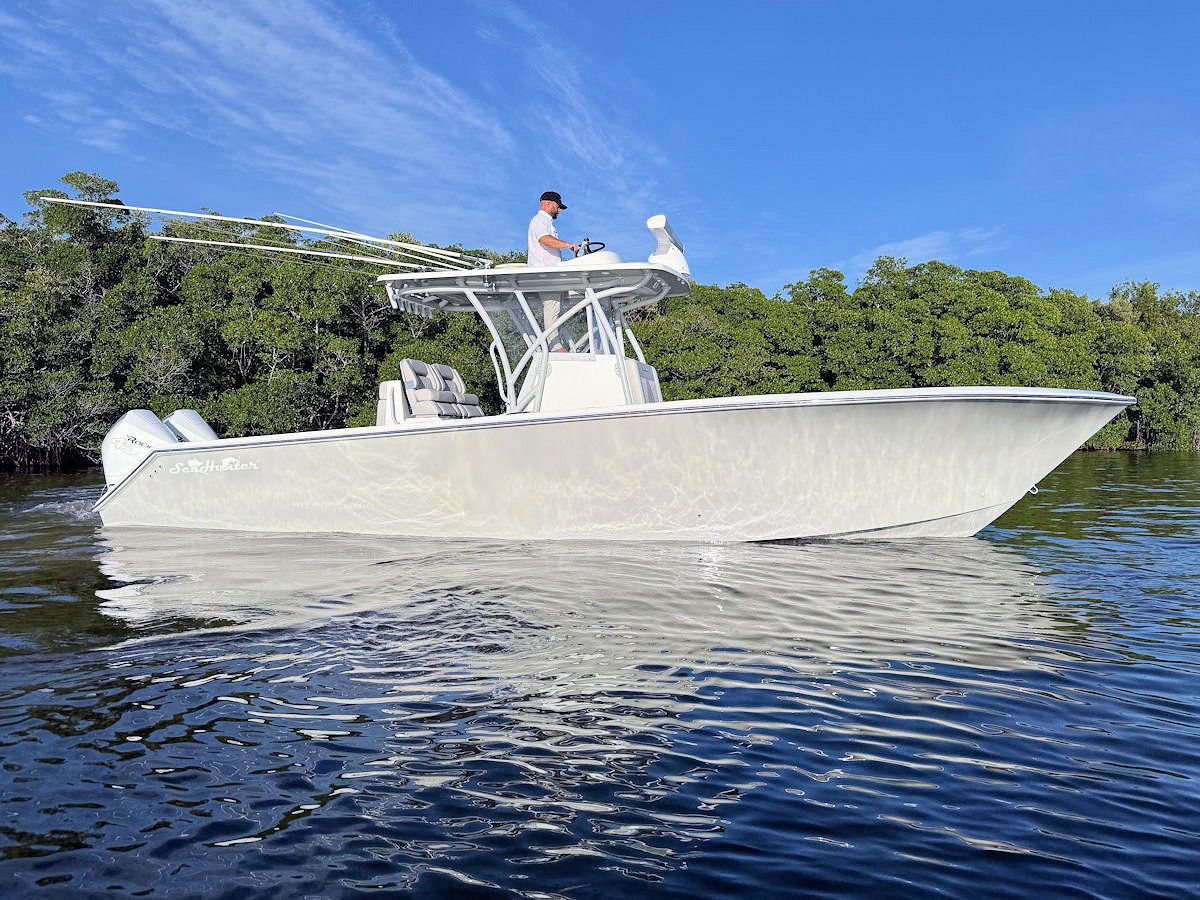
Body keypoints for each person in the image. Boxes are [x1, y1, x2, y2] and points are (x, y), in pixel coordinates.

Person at [527, 191, 579, 350]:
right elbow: (544, 239)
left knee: (560, 306)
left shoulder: (546, 222)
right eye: (558, 206)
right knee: (552, 306)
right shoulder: (539, 220)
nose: (559, 210)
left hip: (551, 275)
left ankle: (561, 341)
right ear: (547, 203)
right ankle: (555, 346)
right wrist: (568, 245)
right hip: (544, 275)